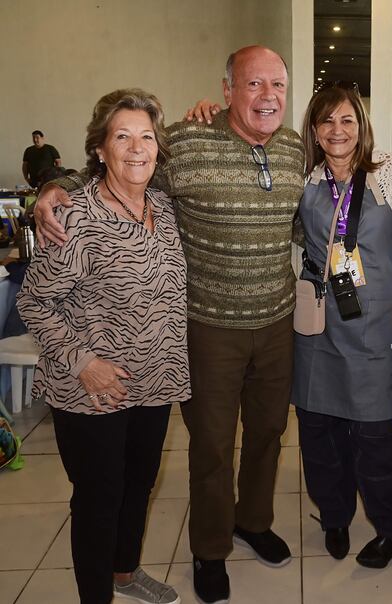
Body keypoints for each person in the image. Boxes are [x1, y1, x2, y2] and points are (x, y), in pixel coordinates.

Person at [33, 45, 305, 604]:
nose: (268, 96)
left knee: (267, 435)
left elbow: (341, 185)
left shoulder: (294, 149)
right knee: (207, 448)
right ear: (227, 90)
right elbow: (104, 170)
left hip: (264, 325)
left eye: (277, 85)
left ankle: (250, 521)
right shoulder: (184, 141)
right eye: (254, 85)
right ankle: (209, 549)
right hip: (204, 330)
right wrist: (47, 189)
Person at [17, 89, 187, 604]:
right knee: (98, 500)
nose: (137, 148)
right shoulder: (74, 217)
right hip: (92, 391)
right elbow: (34, 303)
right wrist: (84, 362)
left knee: (139, 488)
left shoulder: (162, 206)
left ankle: (125, 573)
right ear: (99, 149)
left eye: (146, 137)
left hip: (154, 381)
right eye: (122, 137)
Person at [292, 83, 392, 567]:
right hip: (319, 321)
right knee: (318, 428)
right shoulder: (304, 177)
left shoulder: (390, 172)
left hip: (371, 324)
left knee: (375, 434)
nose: (338, 130)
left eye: (347, 120)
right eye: (327, 122)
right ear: (315, 131)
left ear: (362, 125)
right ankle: (335, 515)